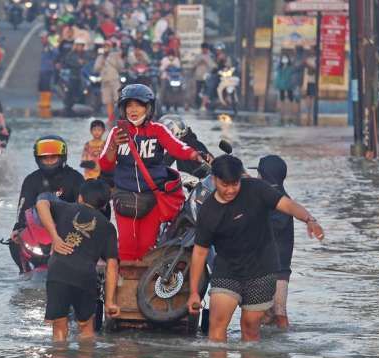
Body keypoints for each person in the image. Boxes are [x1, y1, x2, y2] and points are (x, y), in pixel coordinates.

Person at [186, 155, 325, 342]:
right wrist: (194, 292)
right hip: (227, 272)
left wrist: (309, 219)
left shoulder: (257, 189)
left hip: (261, 270)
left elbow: (287, 205)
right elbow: (200, 252)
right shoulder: (209, 211)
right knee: (217, 328)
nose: (230, 190)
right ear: (214, 180)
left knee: (251, 329)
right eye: (224, 185)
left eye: (234, 184)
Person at [98, 84, 202, 261]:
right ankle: (125, 285)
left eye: (138, 105)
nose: (133, 110)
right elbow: (105, 165)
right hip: (125, 198)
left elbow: (177, 147)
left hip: (152, 198)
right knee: (126, 247)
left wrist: (196, 155)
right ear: (123, 110)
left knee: (147, 248)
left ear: (148, 108)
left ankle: (143, 287)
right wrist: (114, 145)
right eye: (129, 105)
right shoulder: (116, 132)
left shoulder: (158, 130)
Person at [35, 179, 120, 341]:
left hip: (58, 272)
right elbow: (112, 265)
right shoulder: (108, 227)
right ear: (104, 205)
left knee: (59, 326)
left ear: (80, 197)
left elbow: (41, 203)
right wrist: (109, 302)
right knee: (86, 328)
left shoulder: (66, 208)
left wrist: (55, 237)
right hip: (85, 277)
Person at [9, 135, 85, 272]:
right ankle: (23, 272)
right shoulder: (31, 180)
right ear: (39, 159)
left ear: (62, 157)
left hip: (68, 230)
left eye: (53, 158)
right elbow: (23, 207)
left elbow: (84, 207)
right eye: (45, 158)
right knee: (13, 242)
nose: (49, 162)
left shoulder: (75, 178)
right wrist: (17, 228)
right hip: (38, 231)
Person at [255, 156, 293, 329]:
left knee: (279, 314)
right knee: (264, 316)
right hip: (265, 269)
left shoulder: (281, 202)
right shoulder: (271, 198)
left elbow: (274, 226)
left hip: (278, 271)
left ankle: (284, 349)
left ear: (266, 177)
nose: (257, 178)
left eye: (259, 175)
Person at [93, 40, 124, 123]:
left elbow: (121, 67)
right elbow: (96, 68)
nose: (106, 48)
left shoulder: (115, 56)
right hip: (105, 81)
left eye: (108, 46)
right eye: (105, 46)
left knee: (118, 99)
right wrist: (101, 62)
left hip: (114, 80)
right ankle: (110, 118)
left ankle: (120, 117)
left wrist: (116, 58)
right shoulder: (100, 57)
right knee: (108, 101)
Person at [274, 54, 296, 123]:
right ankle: (282, 112)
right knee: (282, 98)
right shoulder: (279, 67)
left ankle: (291, 112)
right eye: (283, 58)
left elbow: (292, 74)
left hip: (289, 85)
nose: (284, 60)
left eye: (286, 58)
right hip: (282, 85)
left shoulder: (290, 67)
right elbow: (277, 76)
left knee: (290, 98)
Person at [192, 43, 214, 109]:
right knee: (198, 91)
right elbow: (194, 65)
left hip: (207, 77)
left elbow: (212, 66)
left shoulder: (210, 56)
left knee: (207, 91)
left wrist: (206, 63)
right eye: (203, 48)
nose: (204, 50)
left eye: (205, 49)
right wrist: (199, 62)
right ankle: (197, 104)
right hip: (198, 76)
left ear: (207, 49)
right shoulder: (198, 56)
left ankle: (206, 104)